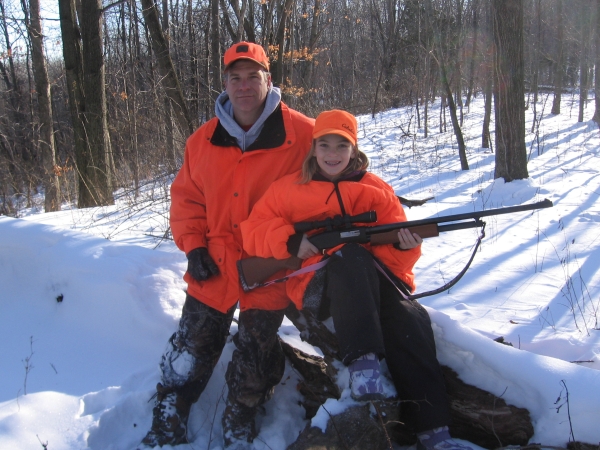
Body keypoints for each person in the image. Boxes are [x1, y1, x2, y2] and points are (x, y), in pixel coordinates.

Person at [240, 110, 474, 450]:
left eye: (341, 145)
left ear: (354, 149)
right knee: (349, 256)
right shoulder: (289, 189)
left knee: (411, 316)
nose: (332, 154)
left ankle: (435, 432)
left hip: (372, 282)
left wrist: (404, 246)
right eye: (325, 145)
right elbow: (253, 231)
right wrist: (290, 242)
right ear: (314, 148)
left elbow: (396, 255)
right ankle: (364, 367)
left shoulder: (375, 190)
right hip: (319, 288)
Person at [139, 42, 314, 449]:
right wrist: (194, 245)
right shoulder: (201, 140)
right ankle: (170, 412)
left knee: (256, 352)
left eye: (253, 76)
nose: (244, 85)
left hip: (270, 261)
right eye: (235, 77)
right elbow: (187, 199)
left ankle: (241, 415)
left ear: (269, 80)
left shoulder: (303, 133)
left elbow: (337, 177)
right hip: (215, 260)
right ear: (225, 83)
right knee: (191, 345)